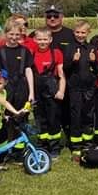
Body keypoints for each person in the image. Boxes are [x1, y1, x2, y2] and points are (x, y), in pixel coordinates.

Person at [0, 20, 35, 136]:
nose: (14, 37)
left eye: (17, 34)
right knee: (6, 116)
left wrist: (31, 92)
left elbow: (28, 70)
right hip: (6, 88)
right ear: (5, 33)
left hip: (22, 87)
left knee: (22, 115)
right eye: (11, 34)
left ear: (21, 34)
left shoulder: (25, 51)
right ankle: (7, 142)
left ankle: (21, 143)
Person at [64, 20, 97, 154]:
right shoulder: (69, 48)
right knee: (76, 115)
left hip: (89, 87)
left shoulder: (91, 48)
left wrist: (94, 61)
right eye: (77, 32)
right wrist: (73, 61)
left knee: (88, 114)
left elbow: (97, 69)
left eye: (83, 32)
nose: (80, 35)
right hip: (75, 87)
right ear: (73, 32)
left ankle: (87, 141)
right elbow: (65, 68)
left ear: (88, 33)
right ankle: (76, 144)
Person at [32, 27, 66, 158]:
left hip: (52, 91)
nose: (42, 42)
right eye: (39, 39)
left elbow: (61, 74)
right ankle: (42, 145)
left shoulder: (56, 53)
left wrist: (61, 91)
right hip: (37, 91)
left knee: (53, 119)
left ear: (50, 40)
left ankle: (54, 147)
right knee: (40, 119)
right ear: (35, 40)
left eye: (45, 39)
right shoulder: (31, 53)